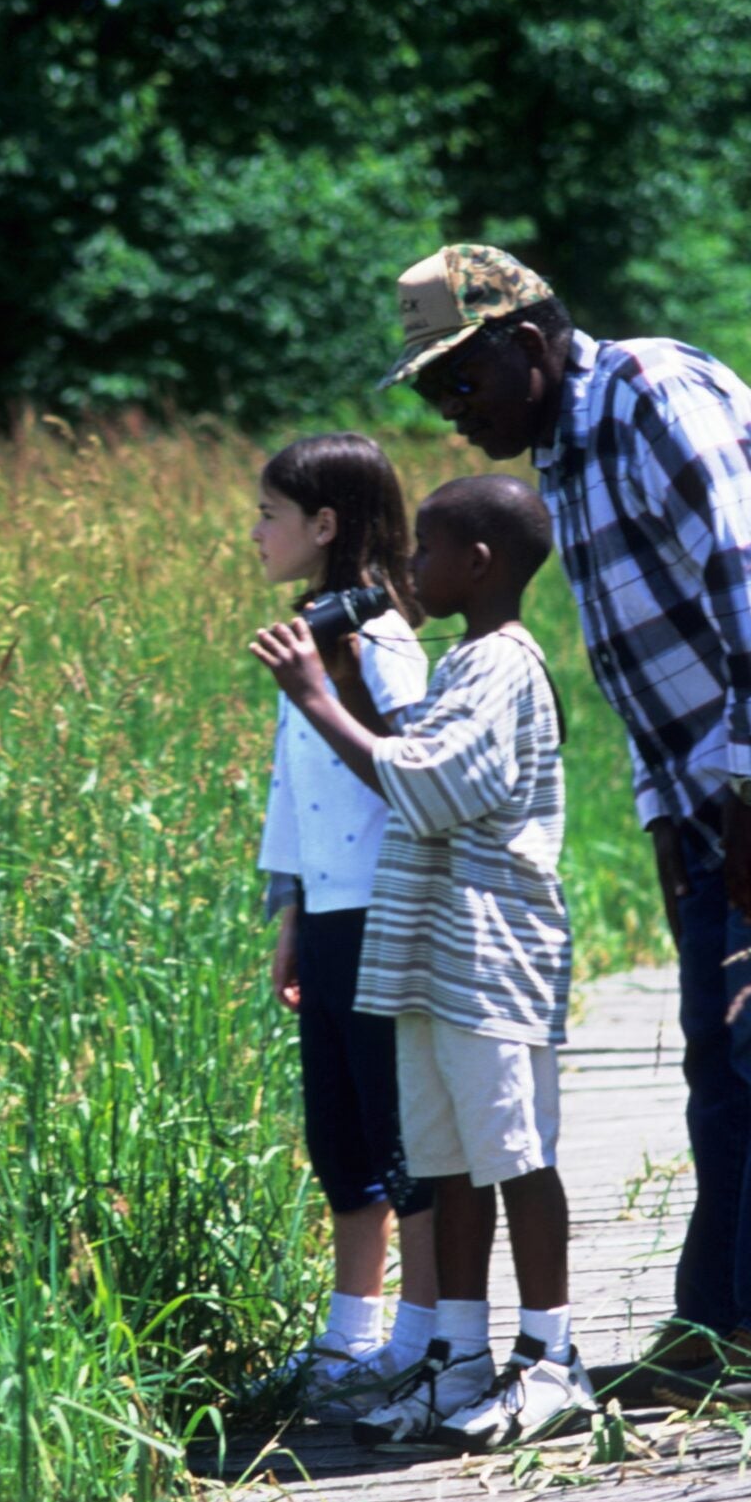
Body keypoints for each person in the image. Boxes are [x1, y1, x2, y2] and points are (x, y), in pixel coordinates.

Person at [377, 245, 751, 1404]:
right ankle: (720, 1316)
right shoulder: (564, 458)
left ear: (526, 344)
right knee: (715, 1051)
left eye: (459, 381)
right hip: (717, 783)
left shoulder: (650, 394)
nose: (450, 412)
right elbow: (642, 668)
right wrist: (668, 819)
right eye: (434, 393)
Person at [251, 474, 592, 1452]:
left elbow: (427, 787)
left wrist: (317, 696)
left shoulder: (502, 665)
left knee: (514, 1153)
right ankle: (457, 1356)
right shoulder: (464, 662)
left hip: (488, 949)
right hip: (435, 949)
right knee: (447, 1164)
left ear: (476, 563)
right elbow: (411, 748)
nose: (410, 568)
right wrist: (347, 684)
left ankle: (551, 1355)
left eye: (428, 552)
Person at [248, 433, 441, 1423]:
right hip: (325, 912)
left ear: (324, 525)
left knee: (398, 1131)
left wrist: (323, 692)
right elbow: (293, 784)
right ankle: (347, 1336)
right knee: (339, 1137)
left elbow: (413, 774)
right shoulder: (308, 633)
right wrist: (288, 907)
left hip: (385, 912)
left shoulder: (379, 640)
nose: (255, 532)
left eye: (269, 514)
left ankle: (418, 1343)